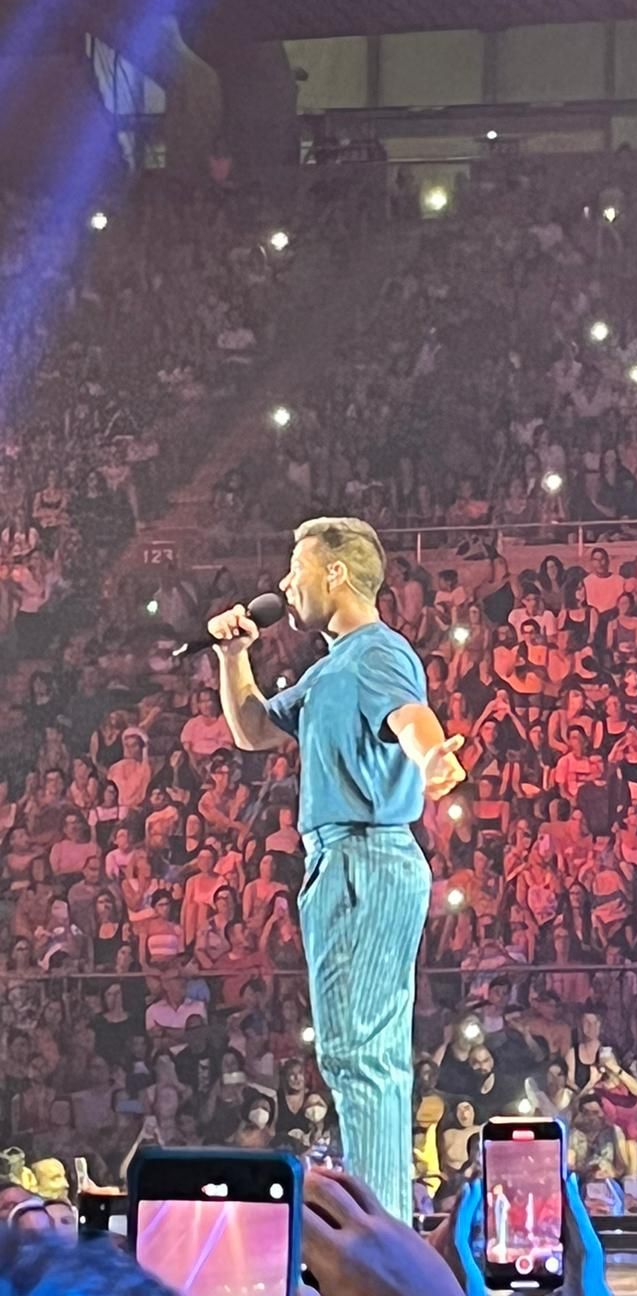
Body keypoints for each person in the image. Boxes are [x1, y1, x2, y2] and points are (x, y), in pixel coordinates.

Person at [206, 516, 464, 1219]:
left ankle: (384, 1239)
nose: (286, 585)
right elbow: (252, 729)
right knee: (352, 1057)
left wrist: (431, 757)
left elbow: (412, 716)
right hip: (339, 860)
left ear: (336, 576)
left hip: (366, 854)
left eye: (298, 570)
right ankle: (381, 1231)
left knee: (365, 1056)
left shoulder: (377, 652)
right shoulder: (327, 670)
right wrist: (234, 657)